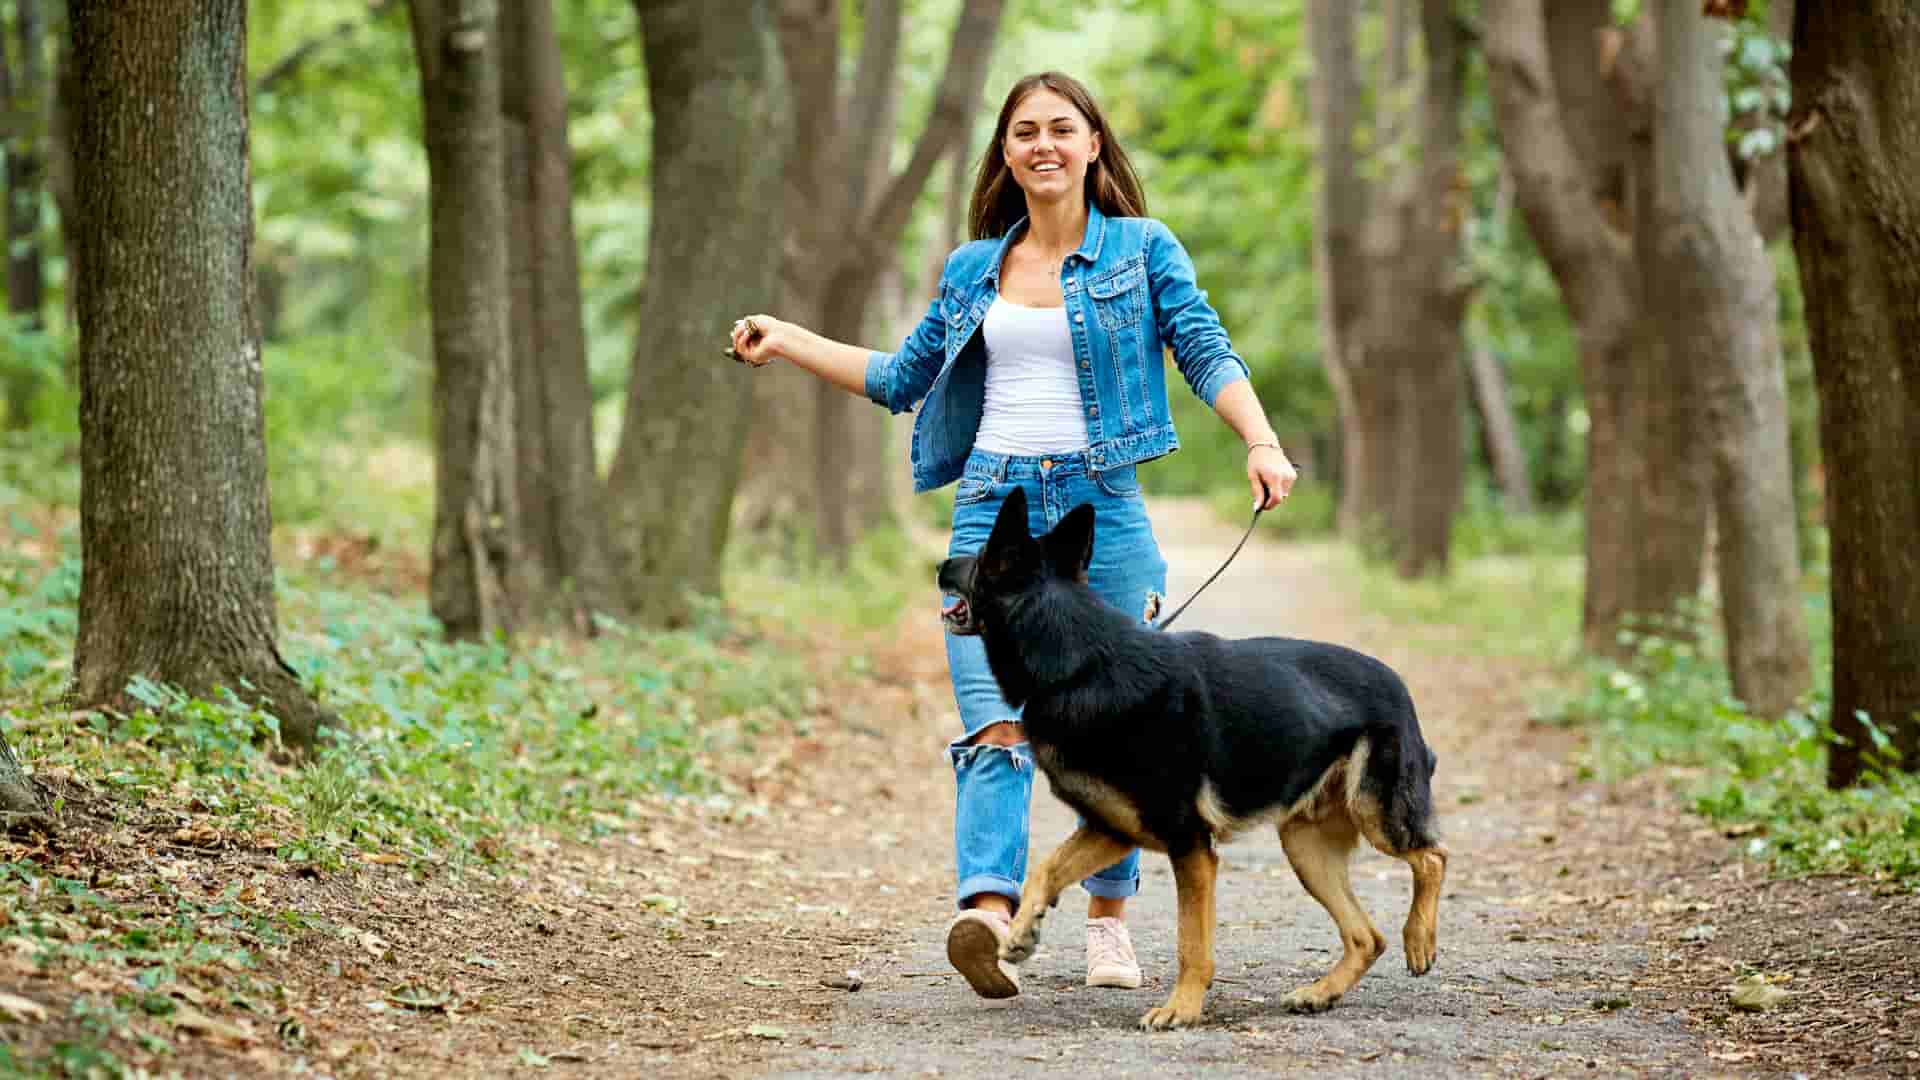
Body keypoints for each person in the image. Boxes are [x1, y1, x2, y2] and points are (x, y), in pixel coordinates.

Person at [727, 71, 1296, 1001]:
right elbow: (900, 379)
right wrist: (788, 338)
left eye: (1061, 129)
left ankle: (1109, 928)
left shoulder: (1144, 251)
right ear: (1004, 153)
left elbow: (1203, 346)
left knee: (1125, 731)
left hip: (1101, 513)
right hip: (990, 512)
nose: (1043, 144)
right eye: (1024, 131)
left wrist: (1260, 440)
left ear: (1093, 146)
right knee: (996, 724)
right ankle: (989, 916)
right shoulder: (972, 269)